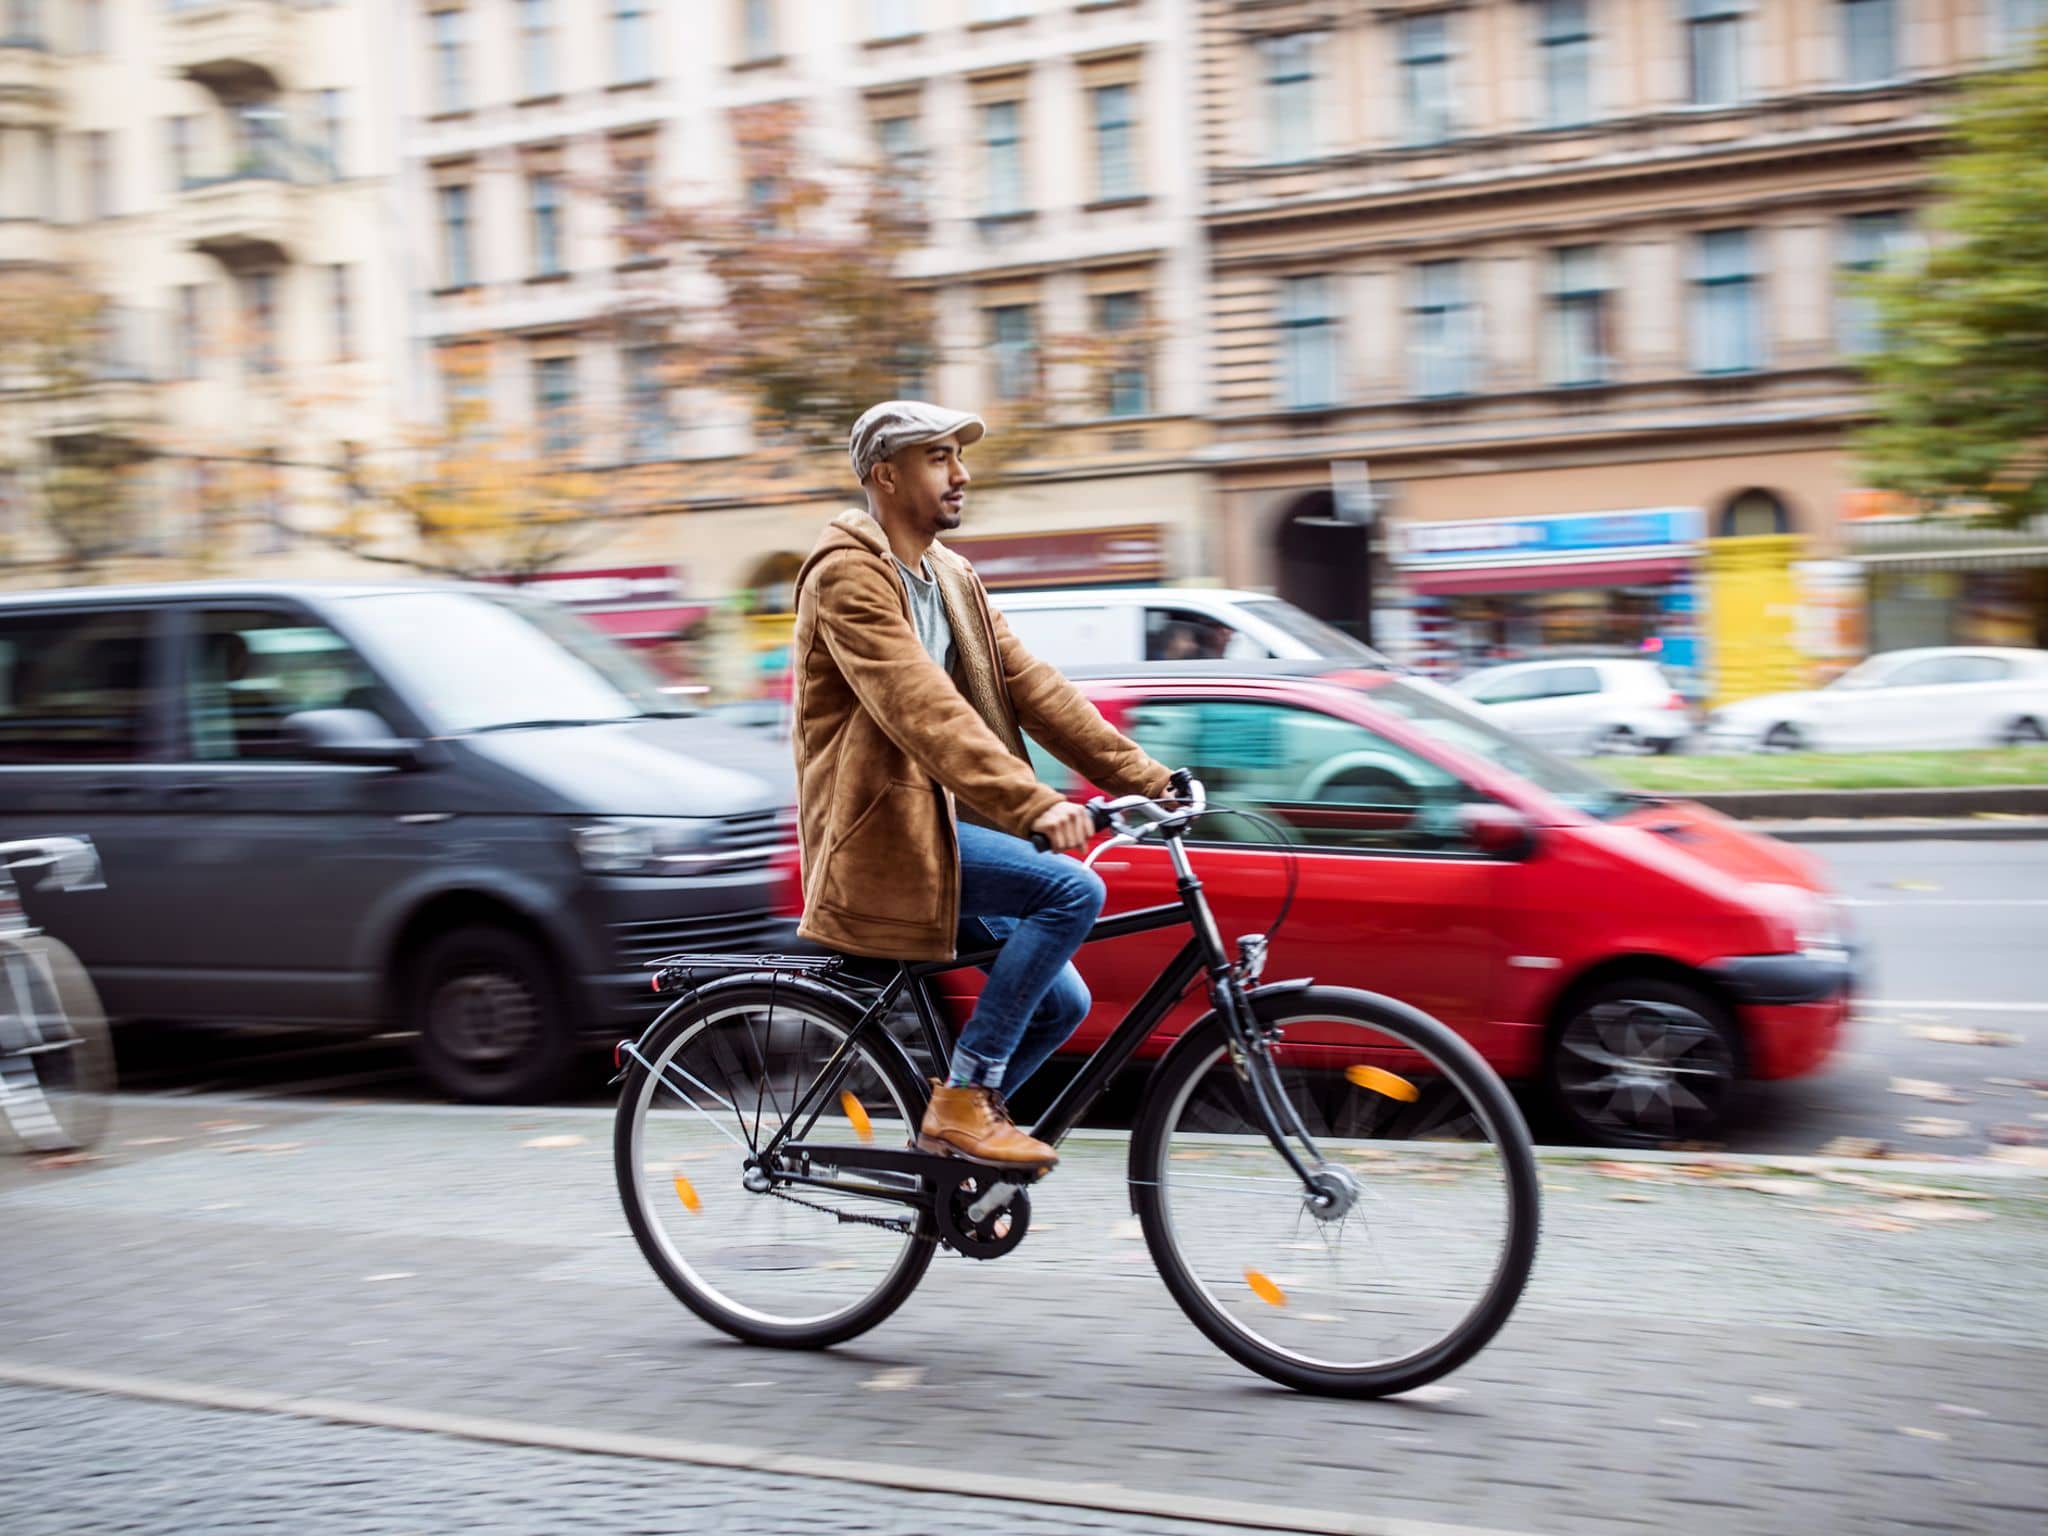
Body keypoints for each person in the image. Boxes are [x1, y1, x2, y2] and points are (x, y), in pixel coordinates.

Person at [791, 401, 1175, 1170]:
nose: (961, 473)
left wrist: (1151, 780)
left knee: (1062, 1003)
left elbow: (1035, 688)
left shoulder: (953, 578)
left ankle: (948, 1161)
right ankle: (964, 1102)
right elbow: (919, 706)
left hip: (942, 827)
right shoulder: (846, 576)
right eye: (939, 458)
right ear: (885, 475)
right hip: (883, 837)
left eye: (958, 457)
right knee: (1071, 892)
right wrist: (1033, 805)